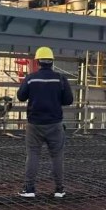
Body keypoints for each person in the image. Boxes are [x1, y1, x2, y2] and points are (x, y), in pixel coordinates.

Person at [16, 47, 74, 199]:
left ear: (37, 62)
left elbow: (21, 97)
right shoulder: (60, 79)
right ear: (52, 62)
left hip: (34, 124)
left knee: (33, 155)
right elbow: (68, 100)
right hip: (55, 124)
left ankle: (29, 189)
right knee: (57, 156)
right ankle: (59, 190)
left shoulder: (31, 78)